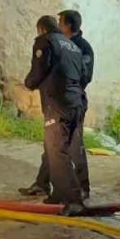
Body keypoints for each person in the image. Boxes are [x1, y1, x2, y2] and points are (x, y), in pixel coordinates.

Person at [20, 10, 94, 200]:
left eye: (62, 22)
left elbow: (40, 69)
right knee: (53, 147)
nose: (60, 26)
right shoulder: (72, 46)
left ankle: (73, 195)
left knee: (66, 148)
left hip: (61, 103)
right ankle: (44, 185)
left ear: (42, 29)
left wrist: (30, 84)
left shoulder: (50, 41)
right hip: (73, 101)